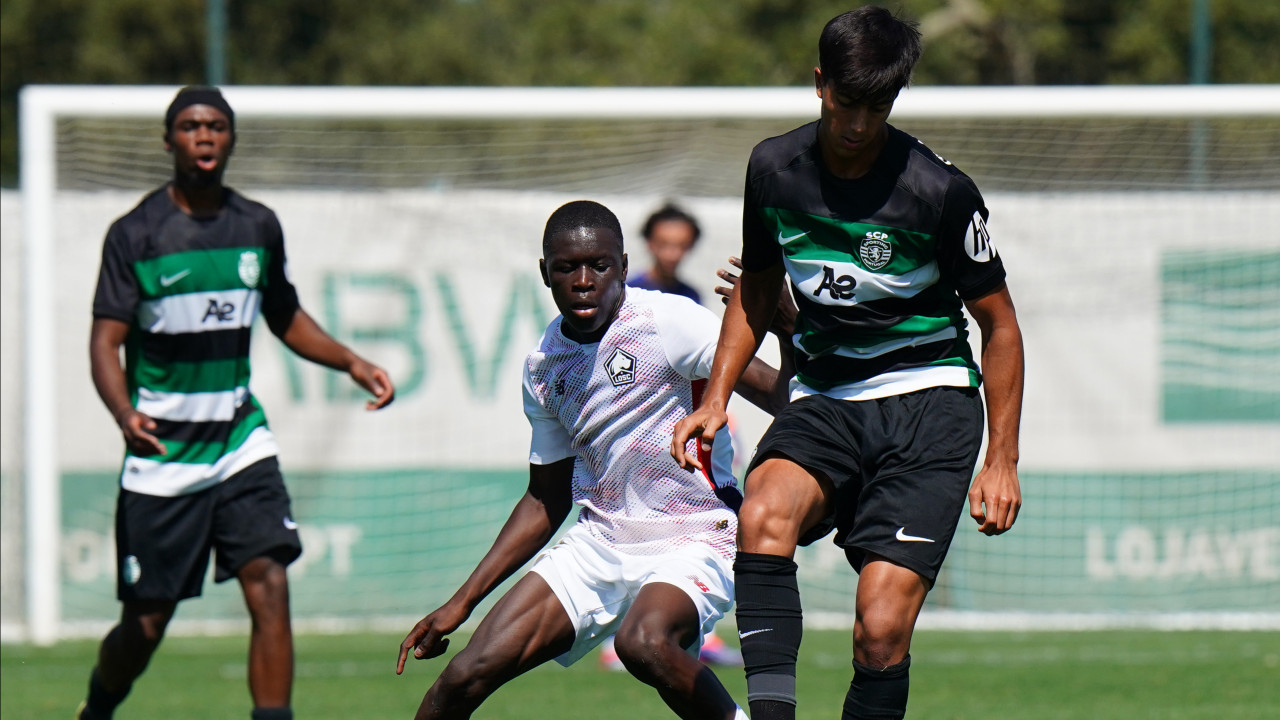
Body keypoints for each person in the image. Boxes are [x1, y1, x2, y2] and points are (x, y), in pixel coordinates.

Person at [671, 7, 1025, 720]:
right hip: (830, 396)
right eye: (847, 101)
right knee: (763, 514)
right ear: (819, 85)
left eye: (878, 106)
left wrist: (1002, 459)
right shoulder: (774, 168)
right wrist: (715, 398)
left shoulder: (939, 193)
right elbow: (760, 286)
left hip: (930, 406)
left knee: (881, 631)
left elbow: (1001, 326)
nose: (860, 123)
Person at [396, 200, 791, 720]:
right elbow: (547, 496)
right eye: (566, 268)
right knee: (461, 680)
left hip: (695, 536)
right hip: (599, 542)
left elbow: (783, 399)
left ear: (623, 267)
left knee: (643, 642)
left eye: (599, 266)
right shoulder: (543, 366)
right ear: (545, 274)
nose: (584, 281)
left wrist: (787, 327)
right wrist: (462, 602)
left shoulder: (668, 321)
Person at [77, 86, 396, 720]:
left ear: (231, 140)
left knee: (269, 582)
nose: (204, 136)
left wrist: (352, 361)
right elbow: (104, 341)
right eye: (191, 126)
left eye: (217, 126)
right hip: (162, 452)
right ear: (168, 140)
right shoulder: (135, 235)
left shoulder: (256, 225)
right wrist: (123, 413)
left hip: (238, 440)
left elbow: (284, 316)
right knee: (145, 624)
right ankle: (97, 709)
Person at [627, 202, 704, 304]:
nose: (672, 255)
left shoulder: (691, 296)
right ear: (649, 242)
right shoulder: (629, 291)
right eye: (663, 245)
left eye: (682, 245)